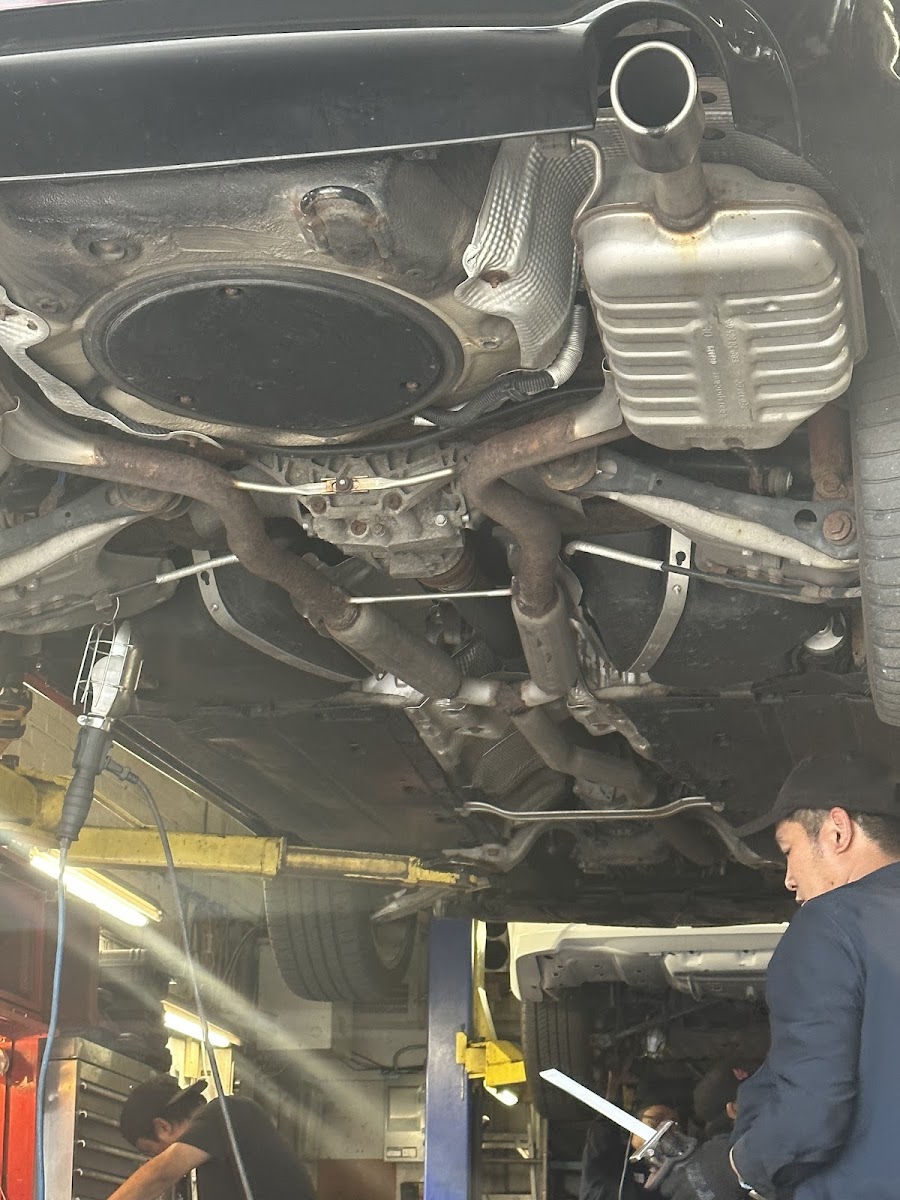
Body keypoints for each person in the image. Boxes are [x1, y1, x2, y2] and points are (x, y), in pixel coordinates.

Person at [659, 752, 900, 1200]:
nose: (789, 879)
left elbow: (814, 1107)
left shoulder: (831, 924)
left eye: (789, 851)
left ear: (837, 830)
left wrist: (730, 1170)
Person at [110, 1074, 317, 1200]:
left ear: (162, 1127)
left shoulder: (228, 1113)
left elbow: (160, 1174)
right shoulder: (206, 1168)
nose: (153, 1159)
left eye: (150, 1151)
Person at [580, 1101, 679, 1200]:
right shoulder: (609, 1157)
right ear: (636, 1122)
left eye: (672, 1122)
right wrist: (615, 1098)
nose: (664, 1128)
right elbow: (602, 1128)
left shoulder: (670, 1170)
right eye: (657, 1119)